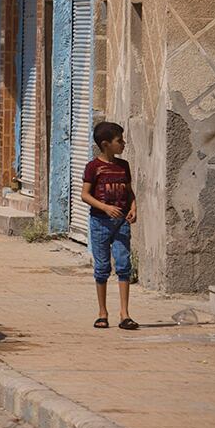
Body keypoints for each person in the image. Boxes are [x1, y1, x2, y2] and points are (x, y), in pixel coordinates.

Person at [82, 120, 138, 330]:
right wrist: (105, 208)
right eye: (119, 141)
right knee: (103, 267)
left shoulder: (123, 166)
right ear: (106, 144)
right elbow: (85, 195)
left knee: (124, 265)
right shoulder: (93, 167)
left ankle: (124, 313)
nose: (123, 144)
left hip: (122, 223)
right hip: (100, 223)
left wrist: (133, 207)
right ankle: (102, 312)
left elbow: (129, 191)